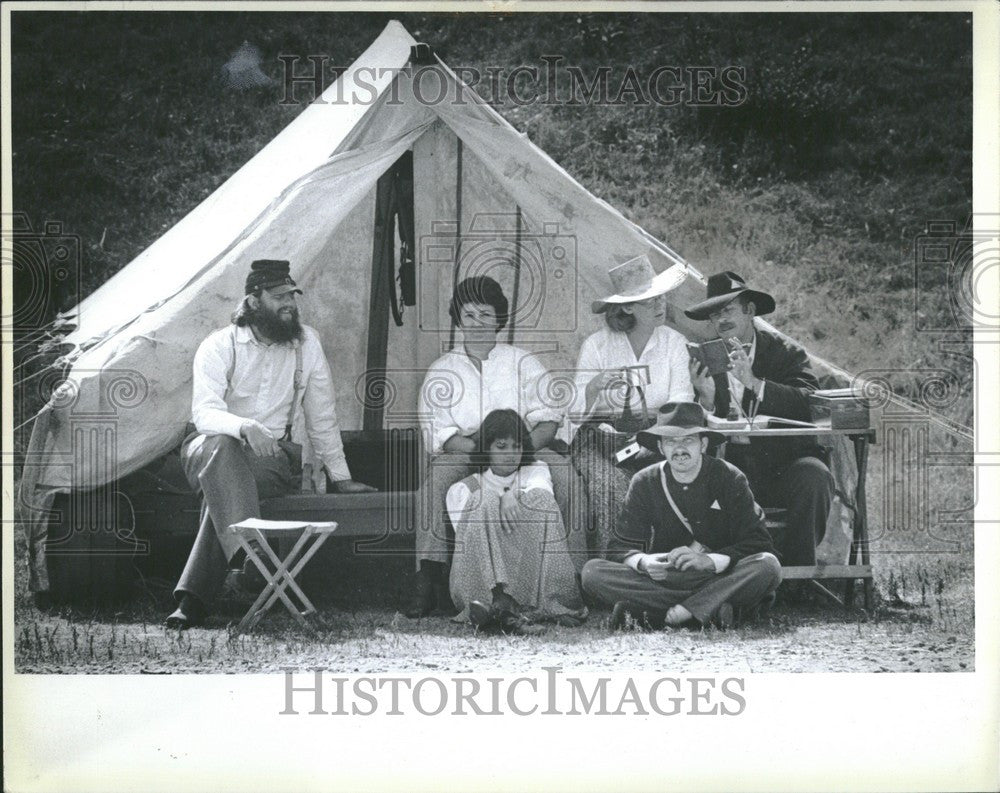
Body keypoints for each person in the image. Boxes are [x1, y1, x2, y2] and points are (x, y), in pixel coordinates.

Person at [166, 259, 374, 629]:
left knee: (226, 487)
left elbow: (321, 416)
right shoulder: (218, 345)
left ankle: (199, 594)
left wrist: (340, 476)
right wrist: (244, 427)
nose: (289, 304)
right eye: (278, 297)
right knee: (222, 451)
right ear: (253, 301)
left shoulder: (306, 344)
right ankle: (250, 554)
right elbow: (204, 414)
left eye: (292, 296)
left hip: (271, 461)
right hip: (206, 450)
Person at [411, 275, 585, 617]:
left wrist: (521, 453)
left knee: (567, 478)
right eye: (469, 315)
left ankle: (575, 577)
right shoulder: (442, 369)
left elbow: (549, 419)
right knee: (436, 483)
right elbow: (440, 434)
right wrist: (484, 455)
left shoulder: (522, 361)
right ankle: (427, 579)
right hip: (468, 451)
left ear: (499, 319)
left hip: (526, 445)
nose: (477, 323)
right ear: (458, 319)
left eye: (485, 315)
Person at [581, 402, 781, 630]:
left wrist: (708, 561)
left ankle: (673, 613)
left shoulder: (728, 477)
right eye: (671, 441)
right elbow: (620, 546)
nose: (680, 449)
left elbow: (759, 542)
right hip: (665, 579)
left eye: (688, 440)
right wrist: (645, 562)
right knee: (592, 572)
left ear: (703, 444)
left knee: (767, 566)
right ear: (660, 447)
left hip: (717, 576)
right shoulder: (645, 481)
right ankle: (710, 609)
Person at [683, 271, 834, 567]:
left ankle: (799, 575)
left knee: (814, 475)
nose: (721, 321)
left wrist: (755, 384)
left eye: (728, 311)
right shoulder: (706, 357)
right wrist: (706, 399)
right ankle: (729, 575)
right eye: (714, 315)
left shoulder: (786, 353)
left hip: (784, 465)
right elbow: (690, 426)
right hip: (734, 468)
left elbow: (811, 404)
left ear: (749, 311)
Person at [568, 254, 693, 554]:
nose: (661, 306)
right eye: (650, 301)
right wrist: (594, 388)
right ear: (627, 307)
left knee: (662, 478)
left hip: (658, 435)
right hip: (601, 440)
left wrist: (654, 439)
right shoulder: (597, 345)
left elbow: (681, 400)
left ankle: (663, 570)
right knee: (608, 485)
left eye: (662, 298)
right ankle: (614, 572)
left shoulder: (673, 342)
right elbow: (573, 413)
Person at [447, 409, 587, 635]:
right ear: (487, 448)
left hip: (526, 569)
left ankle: (554, 602)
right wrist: (499, 497)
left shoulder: (536, 471)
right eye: (501, 446)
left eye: (517, 446)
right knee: (483, 501)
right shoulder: (463, 488)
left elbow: (541, 498)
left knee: (540, 500)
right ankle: (495, 606)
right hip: (481, 580)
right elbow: (470, 543)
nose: (511, 454)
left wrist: (509, 494)